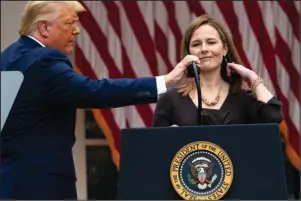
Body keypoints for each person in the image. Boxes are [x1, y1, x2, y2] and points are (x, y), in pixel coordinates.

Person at [0, 1, 200, 199]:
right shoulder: (43, 61)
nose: (76, 30)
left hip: (10, 180)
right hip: (40, 185)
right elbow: (95, 91)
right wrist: (165, 81)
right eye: (70, 23)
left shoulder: (9, 57)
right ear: (44, 27)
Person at [153, 15, 283, 127]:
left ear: (225, 49)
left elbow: (274, 117)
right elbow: (155, 148)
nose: (204, 49)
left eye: (211, 42)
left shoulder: (243, 99)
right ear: (189, 52)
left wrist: (253, 78)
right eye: (196, 44)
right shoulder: (170, 100)